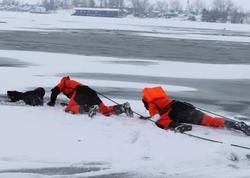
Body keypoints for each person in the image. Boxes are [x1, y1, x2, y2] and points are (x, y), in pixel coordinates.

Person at [141, 86, 250, 136]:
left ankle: (177, 126)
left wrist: (150, 118)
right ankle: (235, 124)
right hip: (187, 108)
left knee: (160, 121)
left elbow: (155, 117)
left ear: (146, 100)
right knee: (210, 120)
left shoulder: (152, 103)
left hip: (176, 113)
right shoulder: (166, 99)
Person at [47, 76, 133, 118]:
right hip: (91, 92)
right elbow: (77, 100)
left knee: (69, 109)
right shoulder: (72, 82)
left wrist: (52, 102)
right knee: (104, 110)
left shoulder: (63, 82)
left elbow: (54, 91)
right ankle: (123, 107)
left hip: (81, 92)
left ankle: (89, 108)